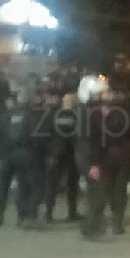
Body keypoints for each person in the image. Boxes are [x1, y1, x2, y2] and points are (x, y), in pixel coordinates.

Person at [76, 76, 130, 240]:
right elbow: (89, 140)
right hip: (98, 159)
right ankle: (91, 228)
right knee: (98, 194)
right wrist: (92, 163)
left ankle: (104, 225)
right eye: (102, 93)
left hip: (113, 157)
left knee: (113, 192)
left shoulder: (118, 111)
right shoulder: (89, 113)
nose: (106, 95)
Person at [0, 93, 46, 229]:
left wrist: (0, 154)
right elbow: (36, 138)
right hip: (25, 154)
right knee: (28, 186)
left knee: (3, 186)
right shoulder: (30, 117)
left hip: (6, 155)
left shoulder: (4, 117)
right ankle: (25, 216)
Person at [45, 93, 81, 223]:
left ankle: (48, 213)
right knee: (72, 184)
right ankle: (72, 212)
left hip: (55, 154)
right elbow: (79, 135)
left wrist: (49, 151)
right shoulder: (77, 116)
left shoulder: (53, 115)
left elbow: (47, 134)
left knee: (52, 184)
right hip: (72, 154)